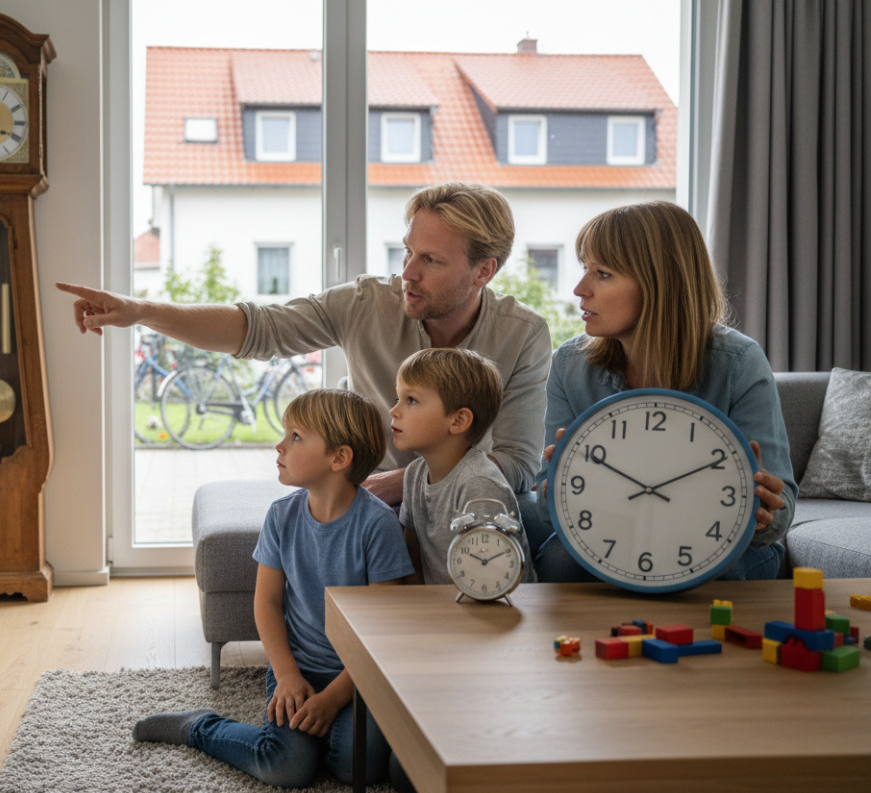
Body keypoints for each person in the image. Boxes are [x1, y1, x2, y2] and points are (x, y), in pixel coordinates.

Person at [57, 182, 552, 505]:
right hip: (362, 500)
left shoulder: (523, 334)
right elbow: (258, 328)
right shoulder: (366, 304)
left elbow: (518, 463)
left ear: (484, 271)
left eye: (431, 260)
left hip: (465, 500)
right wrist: (142, 311)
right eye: (406, 253)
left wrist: (407, 483)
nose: (407, 273)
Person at [131, 388, 415, 789]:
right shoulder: (282, 516)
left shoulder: (378, 526)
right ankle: (199, 726)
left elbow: (381, 634)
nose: (279, 445)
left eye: (296, 437)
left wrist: (333, 700)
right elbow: (266, 603)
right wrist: (286, 676)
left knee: (359, 770)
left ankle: (319, 737)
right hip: (296, 667)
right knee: (285, 766)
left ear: (339, 458)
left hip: (359, 675)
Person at [527, 201, 796, 582]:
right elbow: (546, 506)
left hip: (718, 547)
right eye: (585, 268)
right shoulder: (570, 365)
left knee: (720, 572)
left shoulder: (737, 362)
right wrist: (558, 486)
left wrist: (765, 509)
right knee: (558, 559)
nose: (579, 289)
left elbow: (779, 514)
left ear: (659, 284)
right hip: (614, 540)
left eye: (602, 273)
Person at [392, 347, 535, 585]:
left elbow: (489, 577)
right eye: (397, 398)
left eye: (412, 400)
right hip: (440, 607)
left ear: (458, 421)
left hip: (492, 607)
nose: (393, 411)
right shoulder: (415, 474)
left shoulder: (479, 485)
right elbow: (413, 558)